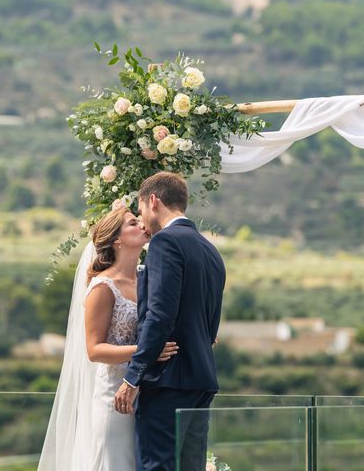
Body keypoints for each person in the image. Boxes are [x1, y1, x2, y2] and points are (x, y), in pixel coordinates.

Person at [38, 206, 178, 470]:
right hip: (115, 397)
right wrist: (146, 351)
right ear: (117, 239)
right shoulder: (103, 287)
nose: (141, 225)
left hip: (148, 393)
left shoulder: (145, 279)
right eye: (132, 223)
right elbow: (94, 350)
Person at [114, 172, 226, 471]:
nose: (142, 218)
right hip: (201, 379)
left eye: (140, 210)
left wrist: (133, 376)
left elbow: (159, 315)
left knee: (156, 466)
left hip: (168, 381)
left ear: (153, 201)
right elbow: (211, 325)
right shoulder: (210, 251)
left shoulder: (165, 243)